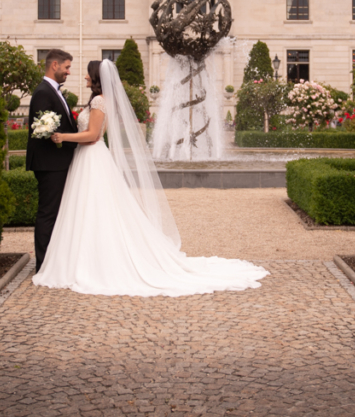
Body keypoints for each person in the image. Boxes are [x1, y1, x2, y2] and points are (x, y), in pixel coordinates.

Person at [33, 60, 268, 297]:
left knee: (92, 207)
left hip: (91, 156)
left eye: (85, 73)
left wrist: (63, 136)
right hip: (90, 158)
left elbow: (93, 135)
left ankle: (87, 260)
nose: (82, 76)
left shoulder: (98, 100)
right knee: (95, 207)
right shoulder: (104, 100)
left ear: (94, 77)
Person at [25, 49, 79, 270]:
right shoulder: (43, 92)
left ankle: (53, 261)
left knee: (56, 212)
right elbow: (41, 129)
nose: (68, 72)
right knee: (48, 212)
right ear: (54, 65)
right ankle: (44, 265)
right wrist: (60, 139)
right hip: (50, 163)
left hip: (57, 162)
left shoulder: (53, 91)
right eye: (66, 67)